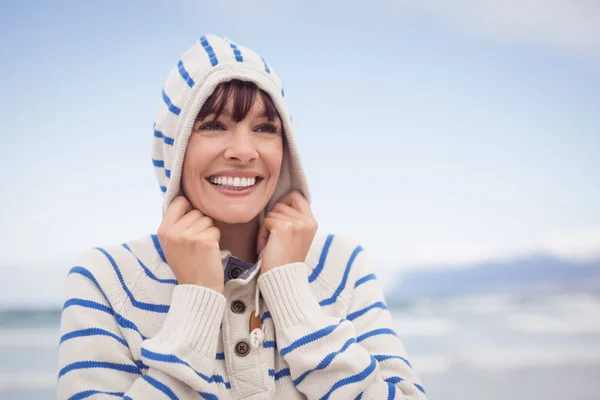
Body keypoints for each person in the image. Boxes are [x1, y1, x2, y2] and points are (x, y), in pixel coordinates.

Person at [57, 34, 427, 399]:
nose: (243, 151)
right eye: (214, 125)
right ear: (175, 143)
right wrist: (196, 304)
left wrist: (291, 294)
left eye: (265, 128)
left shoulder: (342, 266)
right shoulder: (106, 279)